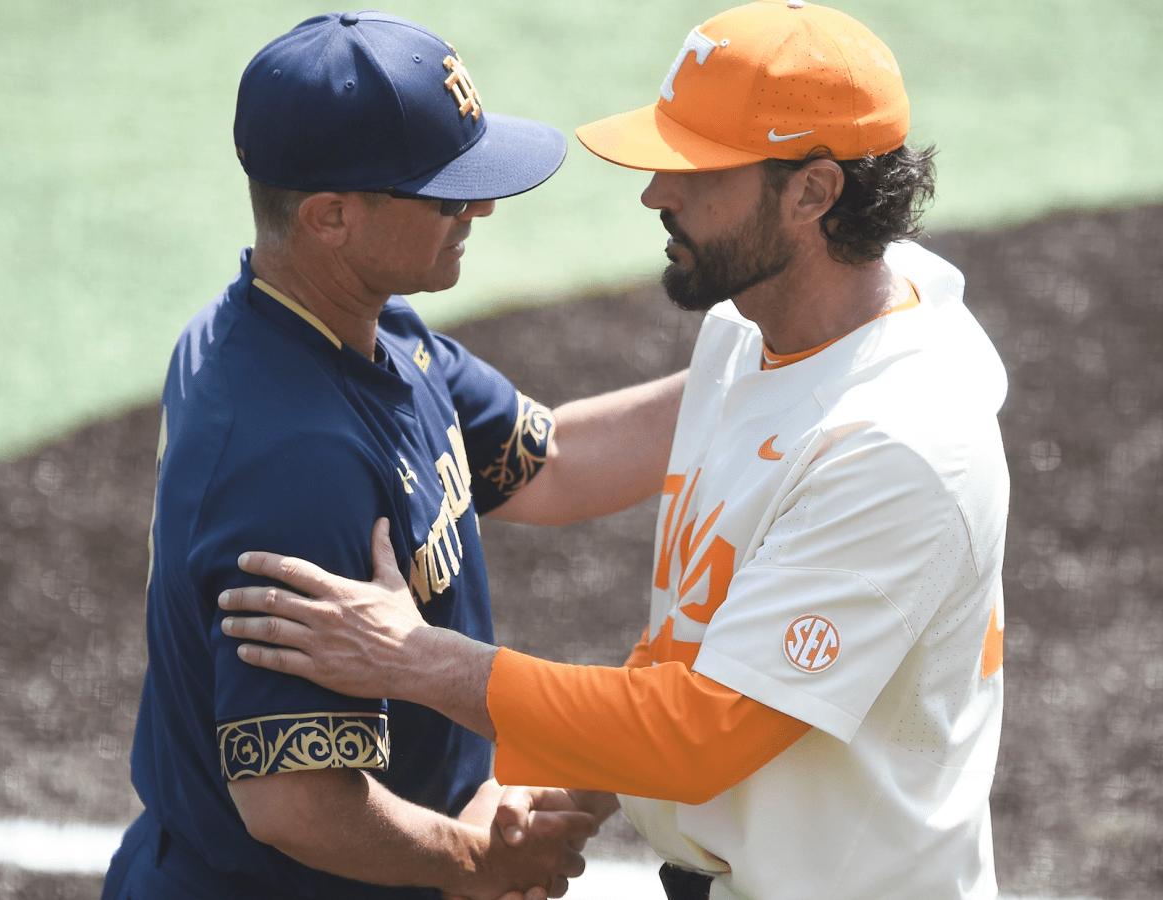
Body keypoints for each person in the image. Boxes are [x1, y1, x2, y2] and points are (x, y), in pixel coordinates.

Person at [220, 2, 1010, 899]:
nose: (655, 194)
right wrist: (568, 788)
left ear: (813, 191)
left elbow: (702, 735)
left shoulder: (896, 446)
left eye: (695, 170)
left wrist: (416, 659)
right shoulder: (750, 337)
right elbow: (698, 642)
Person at [102, 10, 687, 900]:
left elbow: (554, 460)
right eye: (445, 192)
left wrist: (768, 370)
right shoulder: (291, 460)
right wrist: (480, 863)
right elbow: (293, 803)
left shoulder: (364, 329)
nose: (480, 209)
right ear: (331, 216)